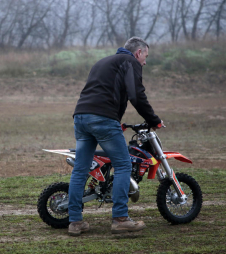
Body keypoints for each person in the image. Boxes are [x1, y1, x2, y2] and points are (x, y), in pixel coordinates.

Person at [68, 37, 164, 236]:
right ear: (138, 53)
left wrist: (114, 120)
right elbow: (136, 95)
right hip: (102, 118)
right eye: (145, 57)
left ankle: (75, 222)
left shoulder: (102, 62)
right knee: (123, 165)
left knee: (80, 170)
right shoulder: (130, 62)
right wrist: (154, 119)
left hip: (81, 117)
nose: (145, 62)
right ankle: (120, 218)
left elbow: (103, 91)